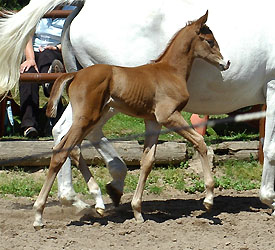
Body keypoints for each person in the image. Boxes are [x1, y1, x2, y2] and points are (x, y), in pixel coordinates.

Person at [19, 5, 75, 138]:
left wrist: (57, 47)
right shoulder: (38, 6)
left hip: (57, 51)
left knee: (48, 53)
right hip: (34, 52)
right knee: (28, 71)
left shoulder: (71, 10)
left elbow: (73, 38)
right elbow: (28, 36)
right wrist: (30, 59)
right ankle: (29, 125)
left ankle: (49, 80)